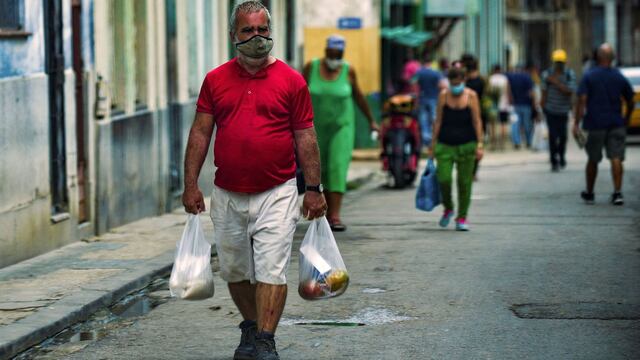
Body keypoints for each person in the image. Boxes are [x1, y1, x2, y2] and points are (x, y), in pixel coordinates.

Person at [182, 2, 327, 359]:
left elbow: (305, 136)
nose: (257, 37)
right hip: (227, 192)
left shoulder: (292, 81)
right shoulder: (215, 79)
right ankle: (250, 326)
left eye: (263, 29)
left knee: (270, 267)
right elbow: (200, 133)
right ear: (234, 35)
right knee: (234, 269)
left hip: (277, 190)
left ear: (270, 31)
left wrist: (313, 189)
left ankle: (265, 338)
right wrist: (190, 184)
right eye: (248, 30)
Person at [303, 35, 377, 232]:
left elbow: (359, 96)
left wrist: (371, 121)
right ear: (326, 51)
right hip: (314, 127)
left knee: (337, 166)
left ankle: (335, 215)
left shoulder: (348, 70)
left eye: (338, 54)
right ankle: (323, 212)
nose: (334, 56)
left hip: (342, 127)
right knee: (321, 169)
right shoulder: (312, 67)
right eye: (332, 52)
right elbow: (298, 93)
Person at [574, 43, 634, 206]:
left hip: (594, 124)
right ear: (612, 58)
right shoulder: (619, 76)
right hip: (616, 123)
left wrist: (576, 123)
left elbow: (582, 101)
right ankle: (617, 193)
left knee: (593, 159)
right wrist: (626, 118)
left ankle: (590, 193)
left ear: (597, 58)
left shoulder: (589, 76)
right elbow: (631, 100)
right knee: (616, 158)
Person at [429, 65, 484, 231]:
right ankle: (448, 207)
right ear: (449, 82)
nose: (456, 87)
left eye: (458, 83)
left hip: (467, 145)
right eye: (453, 83)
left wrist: (480, 145)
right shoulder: (443, 95)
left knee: (464, 182)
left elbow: (477, 121)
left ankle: (462, 217)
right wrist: (432, 145)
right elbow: (438, 120)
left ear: (464, 81)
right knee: (444, 179)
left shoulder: (472, 96)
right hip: (445, 145)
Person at [541, 49, 576, 171]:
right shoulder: (547, 74)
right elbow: (544, 92)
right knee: (552, 136)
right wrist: (542, 108)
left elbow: (570, 91)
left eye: (561, 62)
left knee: (563, 136)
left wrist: (556, 82)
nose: (559, 65)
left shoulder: (569, 74)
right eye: (557, 62)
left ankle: (561, 155)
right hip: (550, 110)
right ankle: (553, 160)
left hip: (563, 110)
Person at [462, 55, 487, 180]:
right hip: (479, 113)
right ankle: (473, 171)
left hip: (466, 114)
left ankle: (469, 169)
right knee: (478, 142)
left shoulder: (465, 82)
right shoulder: (482, 80)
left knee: (468, 142)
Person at [415, 51, 447, 146]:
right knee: (434, 119)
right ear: (431, 62)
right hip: (434, 98)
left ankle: (426, 140)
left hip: (422, 99)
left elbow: (413, 83)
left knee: (423, 119)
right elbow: (442, 85)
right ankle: (435, 139)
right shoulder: (436, 73)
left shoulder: (419, 72)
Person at [508, 64, 536, 149]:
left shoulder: (512, 77)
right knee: (527, 124)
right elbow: (531, 92)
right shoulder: (527, 77)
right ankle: (529, 141)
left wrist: (511, 100)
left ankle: (517, 142)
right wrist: (534, 104)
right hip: (526, 104)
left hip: (515, 105)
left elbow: (508, 90)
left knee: (515, 124)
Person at [488, 64, 512, 149]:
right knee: (503, 123)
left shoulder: (491, 79)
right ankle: (502, 143)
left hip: (493, 104)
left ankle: (493, 143)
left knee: (492, 124)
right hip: (503, 104)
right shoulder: (504, 78)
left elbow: (488, 91)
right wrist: (509, 101)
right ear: (500, 69)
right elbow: (508, 91)